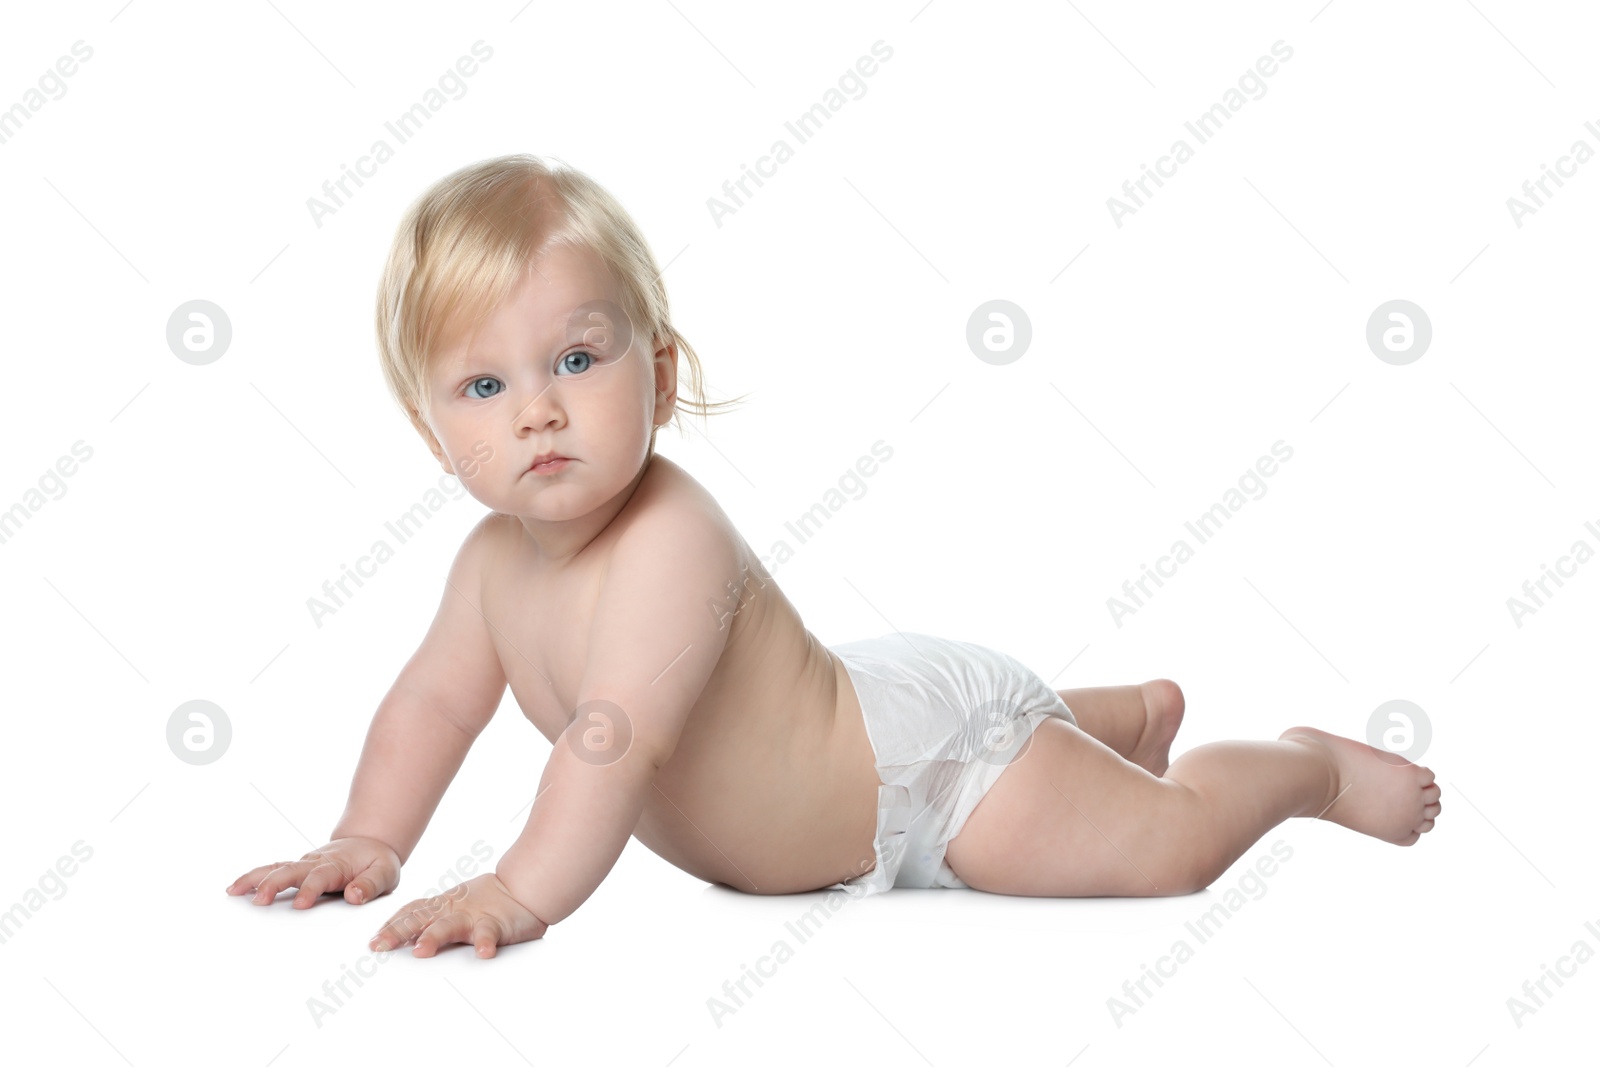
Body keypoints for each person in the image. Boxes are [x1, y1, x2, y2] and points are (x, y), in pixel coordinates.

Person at [226, 153, 1441, 958]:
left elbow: (615, 736)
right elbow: (431, 702)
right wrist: (368, 837)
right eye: (485, 384)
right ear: (433, 429)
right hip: (857, 722)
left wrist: (517, 889)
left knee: (1164, 852)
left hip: (927, 774)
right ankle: (1117, 715)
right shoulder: (489, 566)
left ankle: (1299, 771)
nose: (536, 410)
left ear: (656, 373)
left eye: (577, 360)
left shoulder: (669, 539)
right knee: (1030, 743)